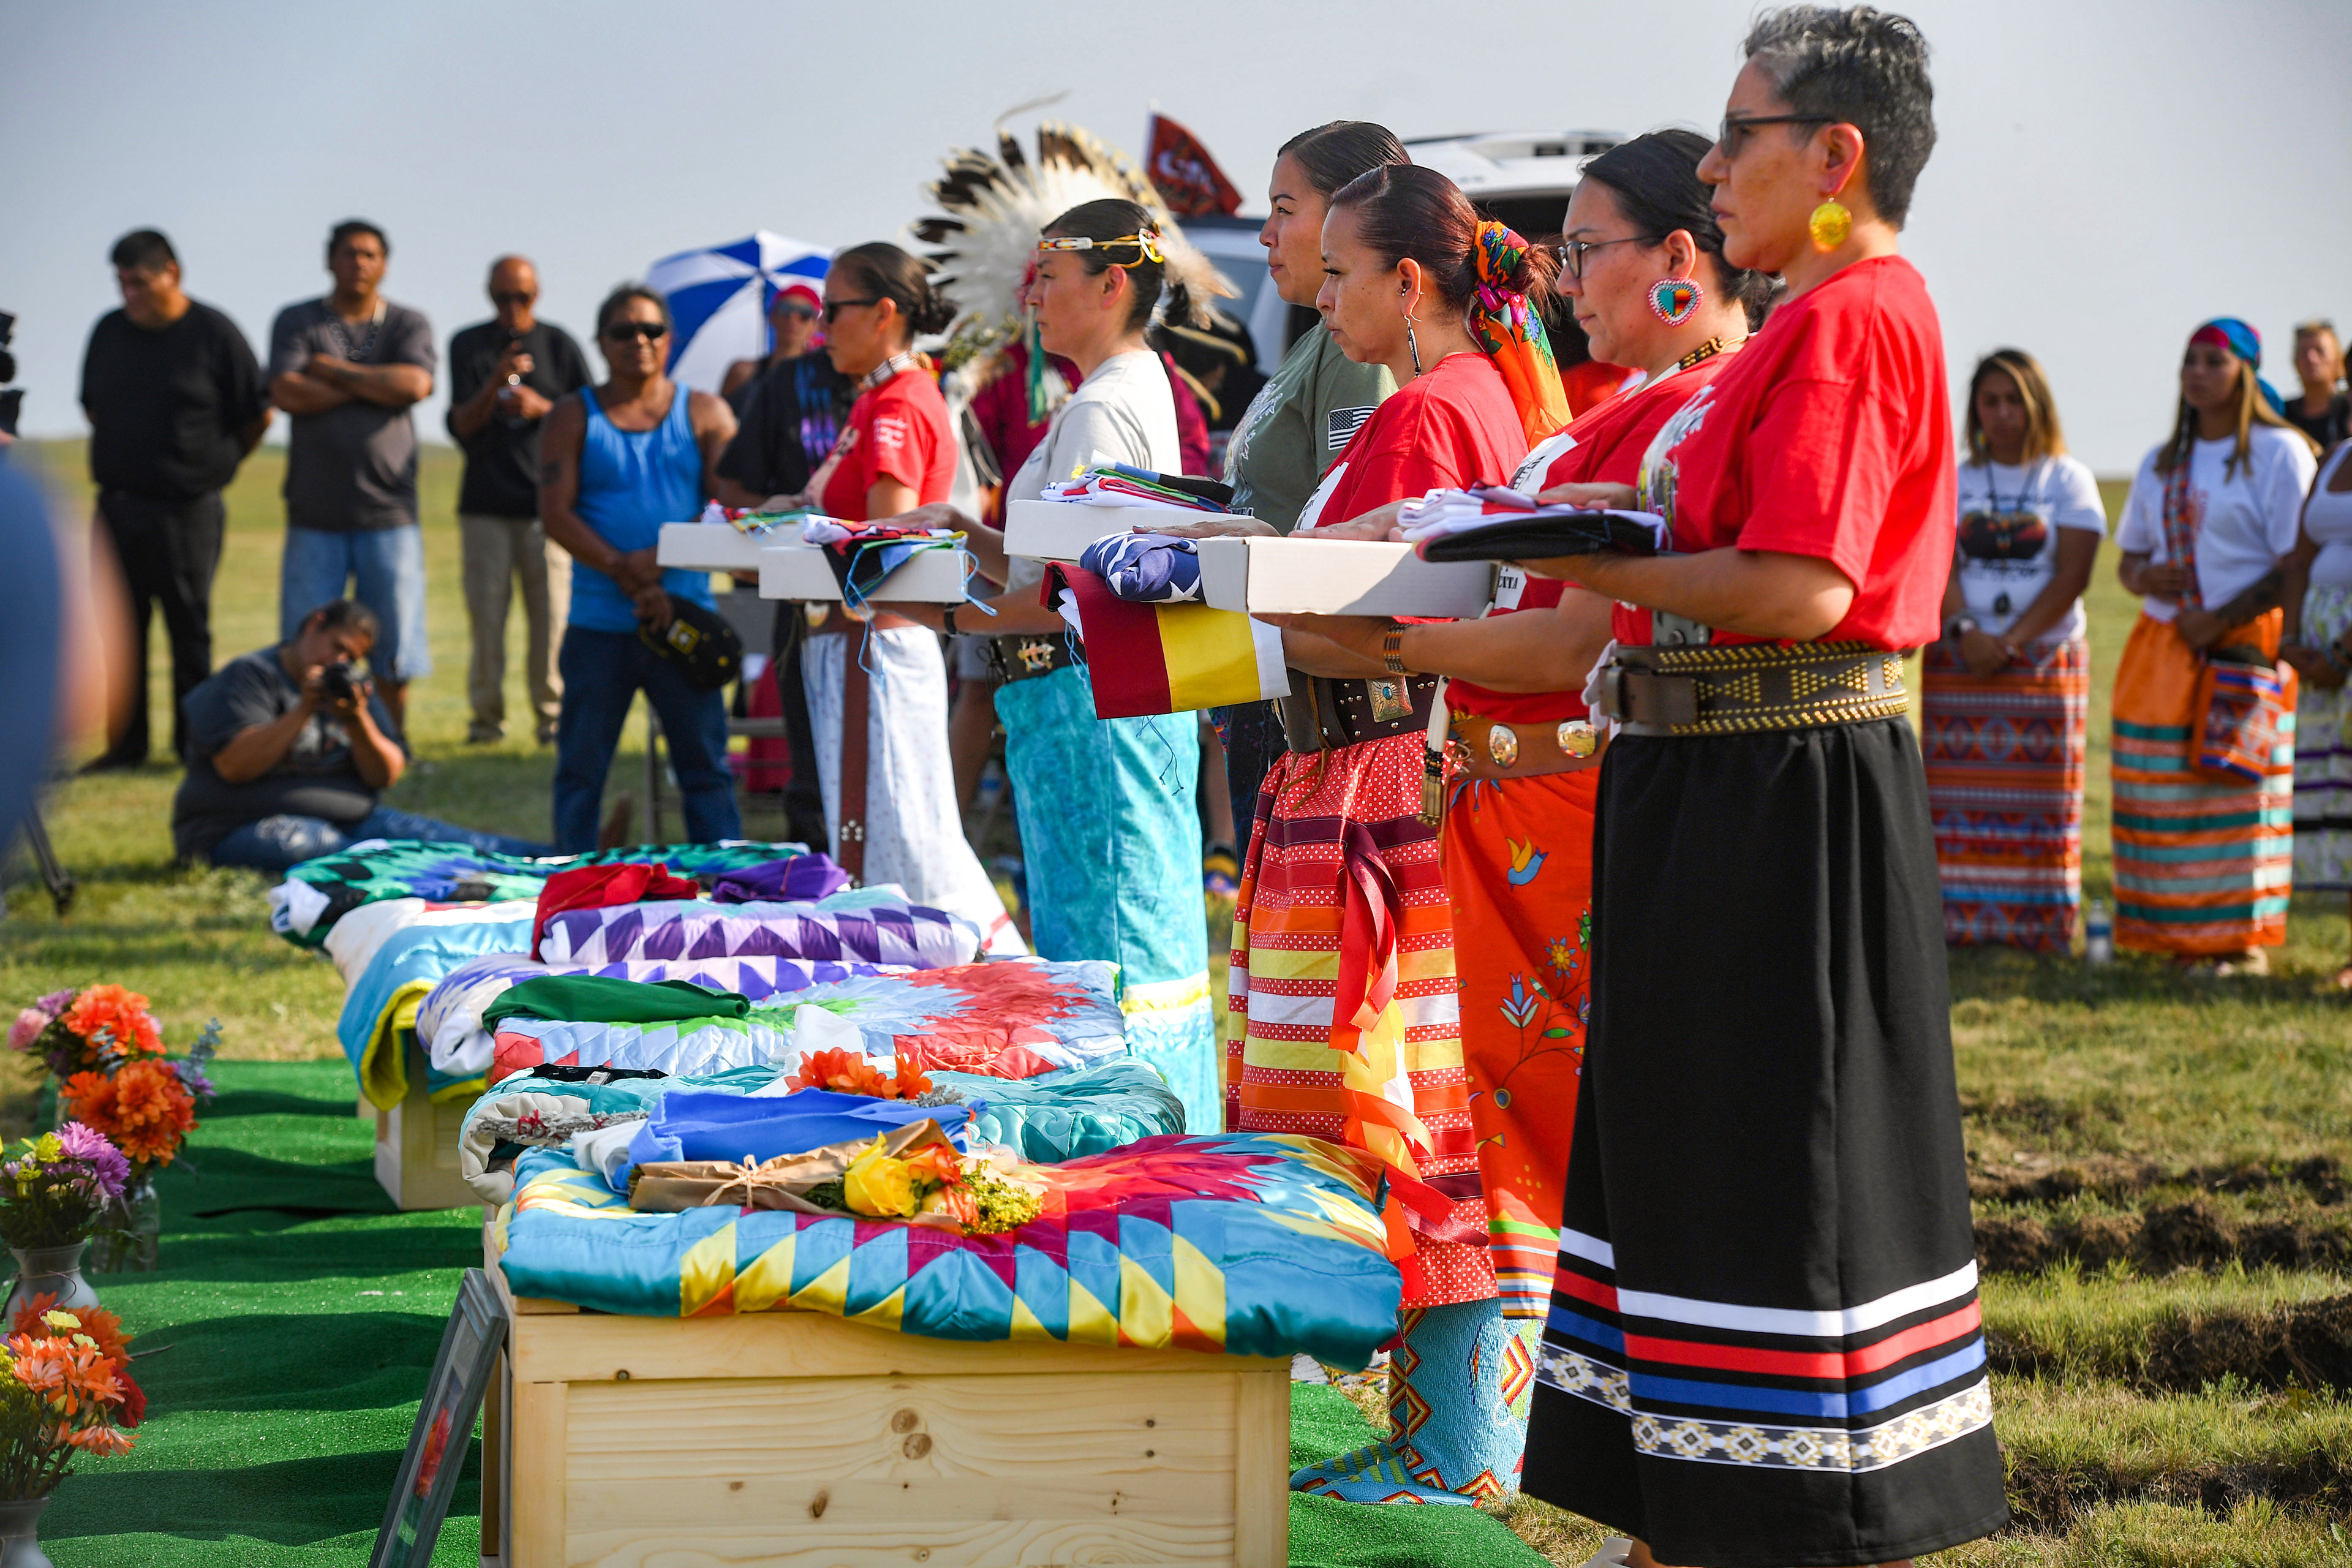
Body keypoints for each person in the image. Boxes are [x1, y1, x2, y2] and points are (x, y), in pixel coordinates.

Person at [1512, 12, 2010, 1564]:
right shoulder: (1806, 316)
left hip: (1779, 793)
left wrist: (1579, 556)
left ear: (1834, 156)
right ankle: (1695, 1513)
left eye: (1740, 135)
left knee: (1770, 1169)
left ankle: (1776, 1520)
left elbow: (1800, 583)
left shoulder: (1857, 314)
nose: (1715, 167)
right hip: (1714, 786)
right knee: (1700, 1155)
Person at [1254, 130, 1770, 1343]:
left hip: (1573, 804)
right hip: (1507, 806)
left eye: (1584, 251)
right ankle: (1477, 1436)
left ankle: (1491, 1438)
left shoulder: (1691, 408)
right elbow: (1444, 536)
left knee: (1532, 1134)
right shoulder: (1631, 408)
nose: (1561, 278)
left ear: (1678, 262)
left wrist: (1381, 645)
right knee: (1483, 1120)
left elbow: (1553, 645)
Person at [1208, 160, 1561, 1507]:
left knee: (1403, 1109)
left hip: (1367, 777)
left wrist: (1216, 584)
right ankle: (1447, 1433)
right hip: (1404, 767)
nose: (1328, 297)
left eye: (1342, 273)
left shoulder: (1426, 411)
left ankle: (1455, 1449)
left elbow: (1369, 610)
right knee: (1434, 1101)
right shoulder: (1488, 396)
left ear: (1411, 281)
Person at [905, 200, 1225, 1119]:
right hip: (1108, 706)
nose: (1032, 297)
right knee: (1132, 932)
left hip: (1089, 710)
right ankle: (1163, 1136)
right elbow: (1061, 561)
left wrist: (926, 603)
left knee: (1110, 949)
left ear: (1111, 284)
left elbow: (1069, 595)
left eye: (1048, 278)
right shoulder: (1134, 386)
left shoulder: (1098, 409)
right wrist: (970, 536)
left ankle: (1139, 1148)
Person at [766, 243, 1019, 952]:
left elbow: (885, 538)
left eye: (832, 309)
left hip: (872, 646)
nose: (820, 326)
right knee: (885, 837)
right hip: (855, 646)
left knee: (903, 841)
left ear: (883, 314)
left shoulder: (900, 401)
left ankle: (988, 982)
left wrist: (805, 527)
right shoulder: (882, 396)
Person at [1198, 122, 1406, 846]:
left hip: (1304, 680)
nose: (1266, 234)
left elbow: (1349, 518)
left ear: (1350, 217)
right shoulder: (1320, 340)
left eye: (1285, 209)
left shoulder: (1355, 354)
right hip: (1268, 664)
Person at [2113, 319, 2320, 974]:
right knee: (2164, 790)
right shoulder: (2160, 461)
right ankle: (2177, 937)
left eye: (2214, 361)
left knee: (2236, 794)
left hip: (2246, 647)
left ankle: (2237, 942)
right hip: (2166, 644)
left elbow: (2296, 562)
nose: (2197, 372)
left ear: (2246, 374)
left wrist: (2222, 616)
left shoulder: (2281, 452)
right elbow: (2128, 561)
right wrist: (2148, 578)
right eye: (2190, 361)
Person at [536, 286, 739, 853]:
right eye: (624, 332)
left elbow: (729, 508)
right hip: (599, 624)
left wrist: (657, 563)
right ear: (601, 342)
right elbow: (555, 512)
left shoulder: (705, 412)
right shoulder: (572, 416)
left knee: (705, 769)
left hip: (684, 623)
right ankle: (569, 880)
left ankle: (729, 883)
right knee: (581, 771)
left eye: (651, 331)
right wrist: (627, 573)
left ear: (669, 340)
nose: (639, 342)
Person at [1923, 349, 2106, 952]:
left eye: (2013, 400)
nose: (2002, 413)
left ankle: (2040, 927)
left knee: (2043, 805)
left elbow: (2073, 573)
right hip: (1961, 658)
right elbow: (1939, 561)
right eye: (1989, 400)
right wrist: (1966, 633)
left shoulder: (2067, 478)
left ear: (2037, 405)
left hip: (2043, 662)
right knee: (1958, 807)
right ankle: (1961, 924)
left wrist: (2010, 642)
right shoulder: (1958, 476)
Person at [77, 228, 270, 769]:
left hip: (187, 508)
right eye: (121, 283)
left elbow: (257, 415)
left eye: (138, 282)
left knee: (188, 630)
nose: (129, 295)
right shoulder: (109, 332)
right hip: (118, 505)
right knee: (120, 628)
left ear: (172, 274)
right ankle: (126, 746)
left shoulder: (213, 332)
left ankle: (193, 746)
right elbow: (92, 406)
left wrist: (211, 468)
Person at [172, 599, 549, 873]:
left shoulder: (350, 688)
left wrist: (356, 720)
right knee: (352, 854)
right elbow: (235, 766)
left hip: (350, 818)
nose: (340, 663)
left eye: (351, 658)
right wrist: (303, 708)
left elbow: (385, 774)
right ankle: (435, 872)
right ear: (314, 624)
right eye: (337, 647)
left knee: (449, 841)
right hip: (236, 826)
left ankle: (563, 861)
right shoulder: (251, 676)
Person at [267, 221, 436, 731]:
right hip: (315, 512)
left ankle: (392, 742)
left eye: (368, 255)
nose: (358, 263)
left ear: (384, 264)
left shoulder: (408, 323)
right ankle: (309, 741)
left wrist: (333, 371)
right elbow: (286, 392)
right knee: (308, 640)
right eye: (348, 254)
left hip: (389, 512)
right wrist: (374, 386)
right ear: (329, 260)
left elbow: (415, 384)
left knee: (393, 643)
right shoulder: (298, 320)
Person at [446, 255, 593, 747]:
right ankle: (486, 722)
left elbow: (591, 417)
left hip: (546, 508)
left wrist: (542, 408)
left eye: (522, 297)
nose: (512, 307)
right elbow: (461, 426)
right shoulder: (468, 345)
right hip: (485, 507)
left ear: (538, 294)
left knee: (551, 622)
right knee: (486, 622)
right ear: (489, 295)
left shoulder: (559, 345)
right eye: (502, 297)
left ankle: (552, 720)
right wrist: (495, 382)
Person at [2283, 434, 2352, 987]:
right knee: (2340, 796)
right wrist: (2290, 638)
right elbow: (2301, 554)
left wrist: (2343, 652)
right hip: (2322, 668)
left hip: (2342, 657)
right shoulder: (2336, 456)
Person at [720, 282, 826, 408]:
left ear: (814, 325)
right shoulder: (743, 373)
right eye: (786, 309)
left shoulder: (822, 380)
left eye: (805, 313)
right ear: (772, 317)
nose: (793, 318)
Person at [2285, 319, 2350, 451]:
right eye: (2303, 352)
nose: (2311, 359)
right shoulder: (2282, 414)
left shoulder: (2348, 411)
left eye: (2320, 351)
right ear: (2295, 361)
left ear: (2339, 360)